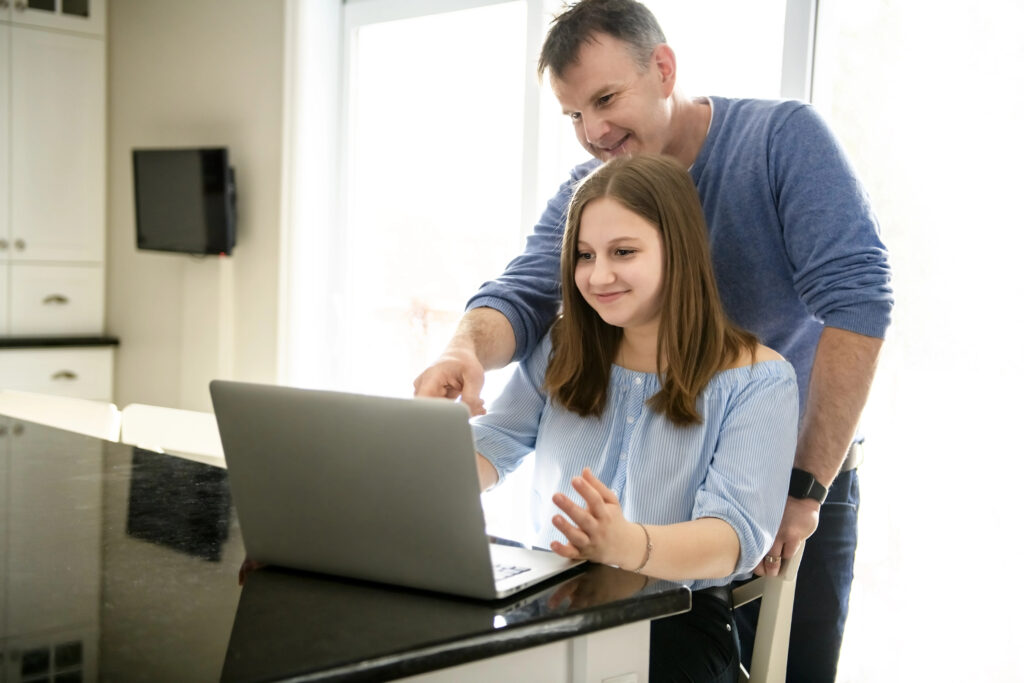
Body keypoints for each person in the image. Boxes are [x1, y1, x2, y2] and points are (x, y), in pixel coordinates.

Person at [415, 1, 893, 679]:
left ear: (662, 69)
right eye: (574, 114)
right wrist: (462, 351)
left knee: (785, 659)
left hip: (799, 454)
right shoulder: (592, 193)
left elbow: (860, 301)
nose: (594, 130)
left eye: (606, 98)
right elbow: (520, 292)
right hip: (602, 583)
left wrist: (801, 490)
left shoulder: (779, 141)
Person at [472, 153, 798, 681]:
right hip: (554, 604)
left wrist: (628, 545)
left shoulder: (760, 380)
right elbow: (496, 441)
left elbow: (734, 536)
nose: (598, 275)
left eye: (623, 251)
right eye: (584, 255)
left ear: (680, 251)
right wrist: (431, 475)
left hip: (676, 621)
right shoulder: (560, 346)